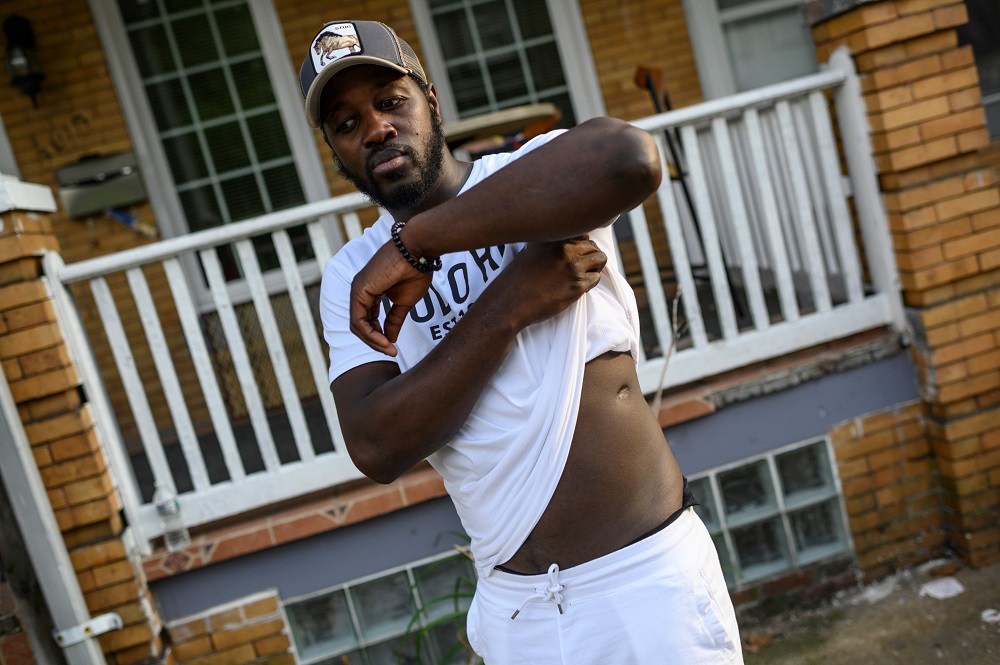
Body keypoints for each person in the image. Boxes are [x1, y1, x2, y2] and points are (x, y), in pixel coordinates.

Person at [300, 19, 743, 664]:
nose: (374, 129)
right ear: (336, 151)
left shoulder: (532, 174)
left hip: (644, 589)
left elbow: (630, 160)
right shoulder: (352, 275)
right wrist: (508, 305)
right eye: (345, 124)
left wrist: (416, 241)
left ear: (431, 99)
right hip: (520, 616)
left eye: (390, 101)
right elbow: (376, 443)